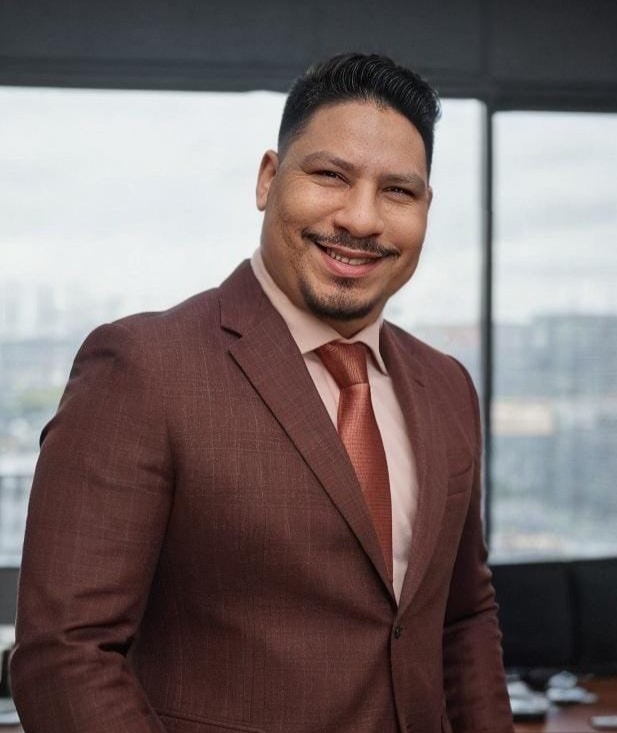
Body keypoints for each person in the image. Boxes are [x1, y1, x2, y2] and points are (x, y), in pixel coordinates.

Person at [11, 53, 514, 733]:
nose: (361, 218)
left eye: (398, 191)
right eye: (331, 176)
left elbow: (463, 619)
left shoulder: (447, 386)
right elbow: (65, 655)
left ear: (425, 208)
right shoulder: (142, 368)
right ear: (269, 179)